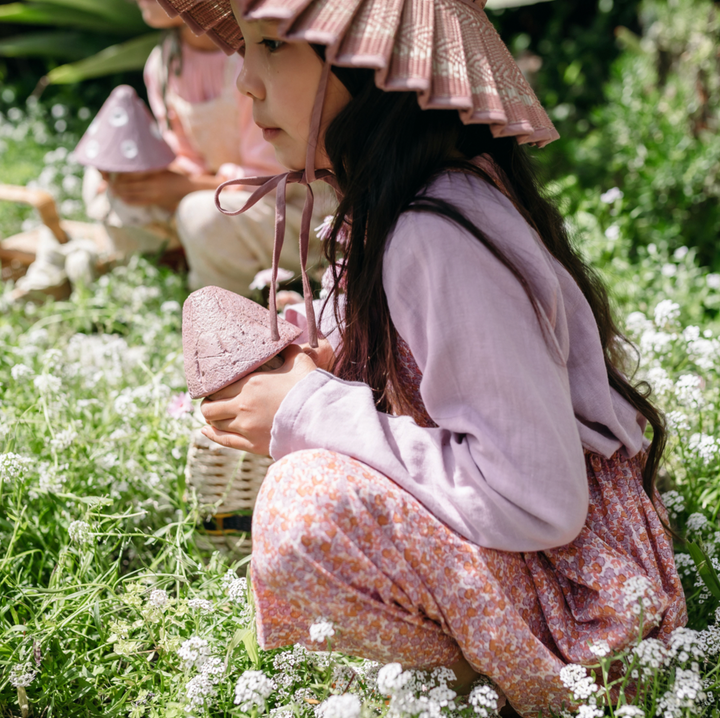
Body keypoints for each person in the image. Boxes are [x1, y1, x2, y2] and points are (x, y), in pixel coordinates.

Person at [159, 0, 687, 715]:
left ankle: (473, 689)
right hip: (545, 571)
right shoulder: (409, 207)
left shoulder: (437, 238)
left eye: (275, 45)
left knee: (302, 507)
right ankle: (449, 680)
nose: (245, 81)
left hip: (586, 615)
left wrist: (311, 406)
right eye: (247, 48)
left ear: (375, 67)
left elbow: (541, 500)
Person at [82, 0, 330, 296]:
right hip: (215, 192)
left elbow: (276, 177)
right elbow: (183, 155)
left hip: (289, 209)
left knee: (199, 215)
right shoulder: (163, 61)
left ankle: (231, 301)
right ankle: (193, 253)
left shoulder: (250, 62)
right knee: (102, 184)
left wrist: (184, 187)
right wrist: (147, 179)